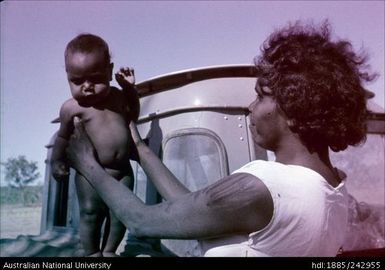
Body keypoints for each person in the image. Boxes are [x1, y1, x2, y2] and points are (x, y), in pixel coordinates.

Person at [65, 21, 376, 257]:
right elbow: (191, 207)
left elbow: (142, 222)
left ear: (294, 111)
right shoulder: (334, 193)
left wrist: (87, 164)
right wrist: (143, 150)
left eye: (261, 97)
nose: (252, 108)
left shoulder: (265, 187)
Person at [50, 33, 140, 257]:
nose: (87, 87)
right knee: (90, 212)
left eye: (96, 78)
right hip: (90, 174)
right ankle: (92, 253)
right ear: (67, 77)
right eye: (77, 81)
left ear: (110, 71)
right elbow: (62, 138)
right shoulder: (71, 108)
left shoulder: (119, 97)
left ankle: (109, 251)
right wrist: (57, 161)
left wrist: (130, 89)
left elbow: (134, 115)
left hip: (122, 170)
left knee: (121, 213)